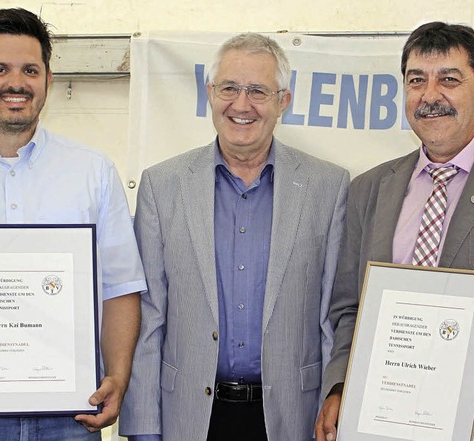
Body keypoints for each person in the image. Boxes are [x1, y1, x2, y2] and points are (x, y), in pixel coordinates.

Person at [316, 21, 474, 441]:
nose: (430, 96)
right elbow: (349, 310)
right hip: (381, 425)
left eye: (449, 79)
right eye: (416, 81)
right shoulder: (369, 190)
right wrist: (340, 386)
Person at [0, 8, 146, 440]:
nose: (16, 83)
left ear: (48, 80)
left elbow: (120, 288)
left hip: (70, 414)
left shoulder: (92, 172)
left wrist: (118, 375)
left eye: (30, 70)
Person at [119, 33, 350, 441]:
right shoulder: (162, 186)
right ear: (210, 93)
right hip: (188, 418)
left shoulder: (328, 187)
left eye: (258, 91)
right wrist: (143, 427)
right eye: (229, 88)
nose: (241, 104)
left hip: (290, 419)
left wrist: (331, 410)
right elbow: (149, 317)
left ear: (284, 101)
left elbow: (331, 319)